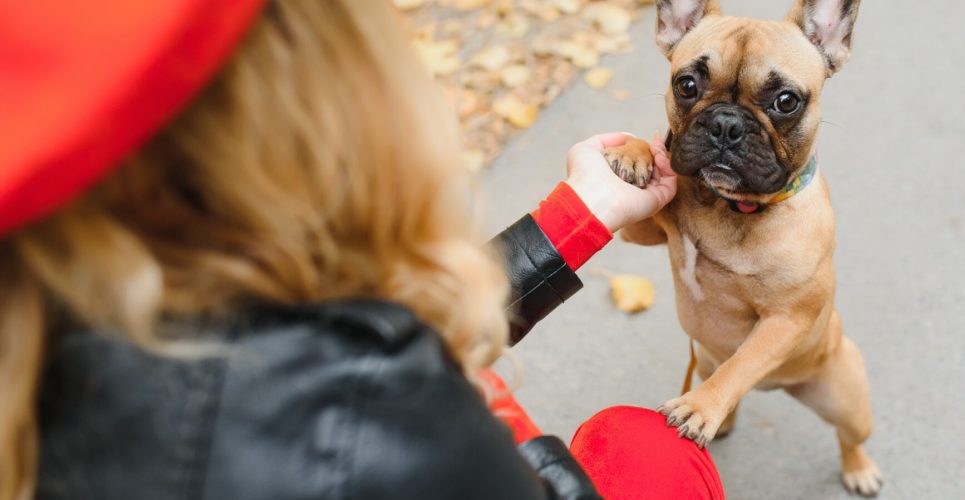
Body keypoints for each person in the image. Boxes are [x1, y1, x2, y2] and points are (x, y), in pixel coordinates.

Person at [0, 1, 725, 499]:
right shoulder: (372, 428)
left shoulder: (68, 319)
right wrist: (522, 447)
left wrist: (577, 217)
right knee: (647, 449)